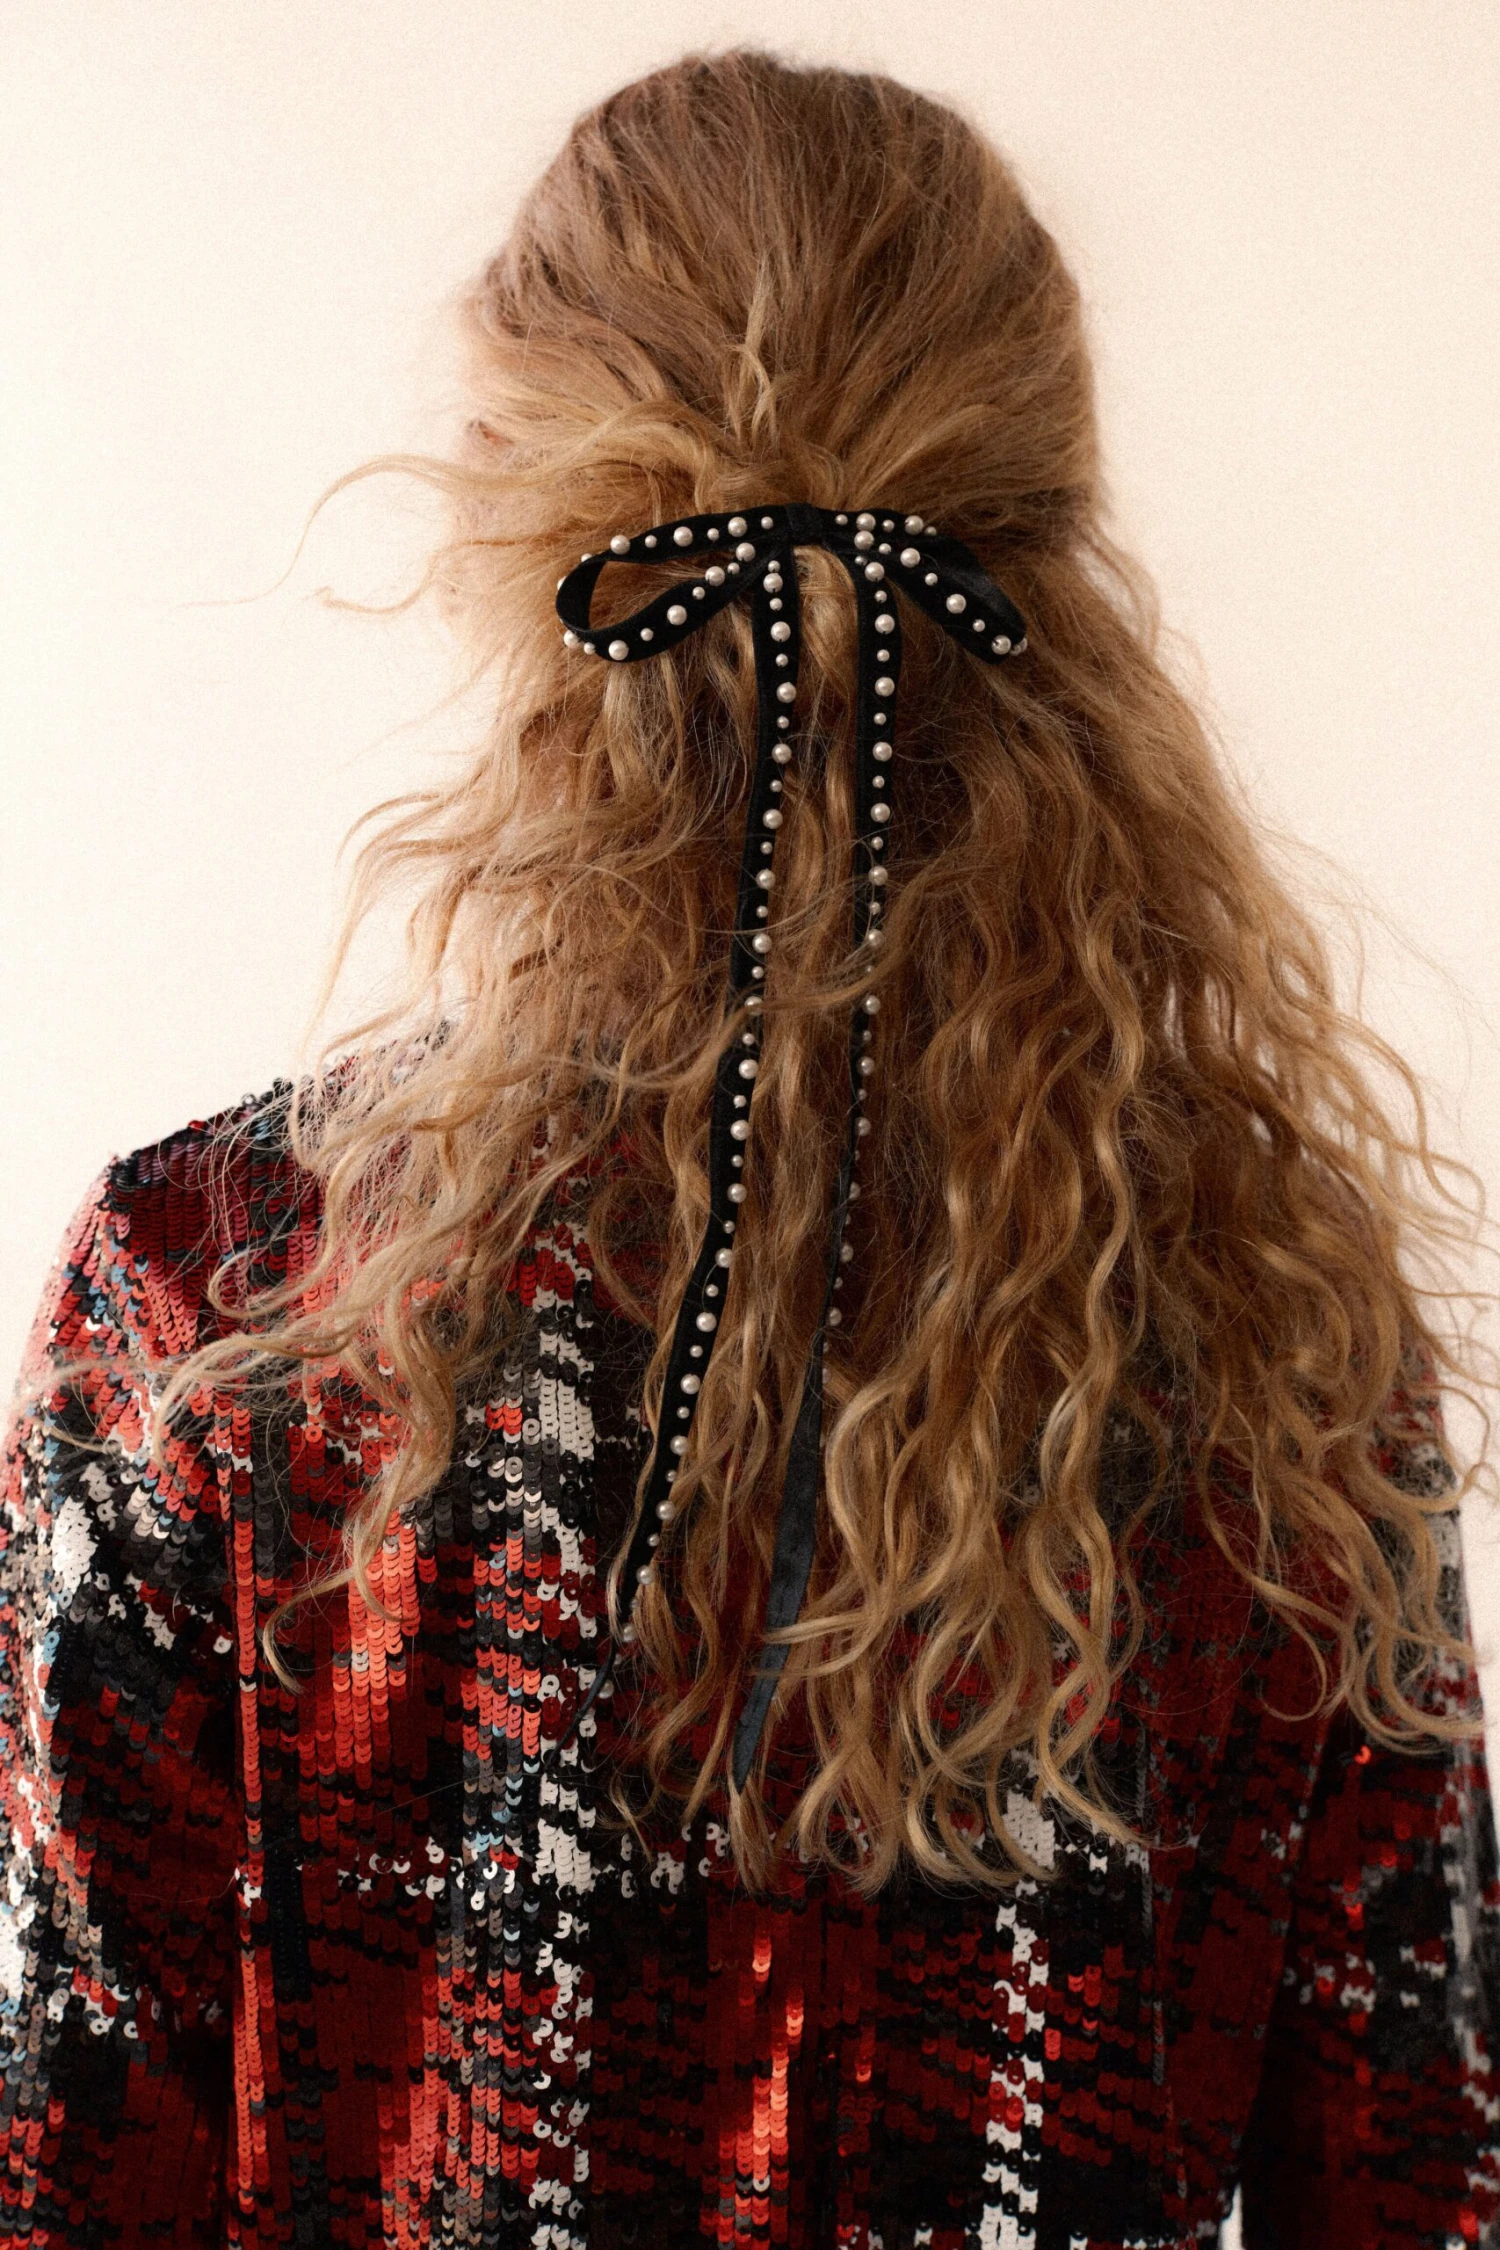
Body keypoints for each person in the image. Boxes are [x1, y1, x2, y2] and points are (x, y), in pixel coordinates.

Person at [1, 47, 1496, 2250]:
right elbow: (1419, 2189)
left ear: (506, 528)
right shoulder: (1270, 1332)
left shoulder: (210, 1294)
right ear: (1051, 560)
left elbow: (70, 2174)